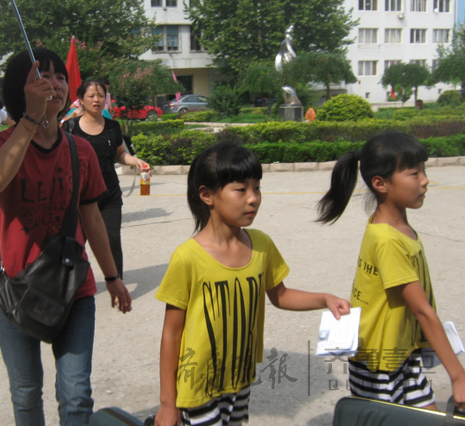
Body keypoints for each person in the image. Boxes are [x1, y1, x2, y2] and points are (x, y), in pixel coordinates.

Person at [0, 47, 131, 426]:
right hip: (13, 291)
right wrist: (31, 119)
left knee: (77, 395)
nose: (56, 83)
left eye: (60, 76)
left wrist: (113, 277)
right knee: (26, 393)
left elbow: (92, 218)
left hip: (72, 288)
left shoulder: (80, 150)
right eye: (42, 76)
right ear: (21, 88)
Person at [154, 143, 351, 426]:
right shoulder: (187, 258)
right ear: (207, 195)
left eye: (257, 188)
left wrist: (325, 299)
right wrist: (167, 403)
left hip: (240, 380)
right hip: (197, 386)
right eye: (241, 189)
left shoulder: (261, 244)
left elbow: (280, 295)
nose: (253, 199)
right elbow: (171, 333)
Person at [316, 132, 465, 411]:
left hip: (402, 352)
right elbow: (422, 311)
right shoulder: (388, 241)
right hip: (378, 365)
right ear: (380, 183)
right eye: (414, 173)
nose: (424, 180)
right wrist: (458, 376)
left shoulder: (397, 227)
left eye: (423, 170)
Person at [65, 79, 150, 278]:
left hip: (109, 193)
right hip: (80, 196)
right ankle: (72, 286)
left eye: (101, 96)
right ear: (81, 100)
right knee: (76, 243)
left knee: (112, 240)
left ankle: (116, 282)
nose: (97, 100)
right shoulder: (70, 127)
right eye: (91, 96)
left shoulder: (112, 126)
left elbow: (119, 154)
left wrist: (135, 161)